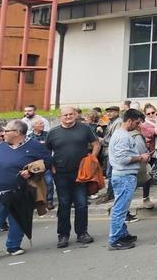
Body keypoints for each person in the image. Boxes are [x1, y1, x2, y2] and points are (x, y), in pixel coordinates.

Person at [0, 120, 51, 264]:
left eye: (6, 131)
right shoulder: (1, 146)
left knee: (18, 220)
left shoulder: (35, 146)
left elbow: (48, 162)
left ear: (17, 133)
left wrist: (31, 171)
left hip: (20, 192)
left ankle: (13, 247)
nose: (2, 134)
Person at [45, 106, 100, 248]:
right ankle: (63, 235)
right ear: (60, 117)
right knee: (64, 204)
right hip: (61, 174)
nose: (68, 117)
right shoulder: (53, 132)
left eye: (70, 114)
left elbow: (96, 144)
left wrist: (92, 158)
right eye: (65, 115)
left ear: (75, 115)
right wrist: (51, 165)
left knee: (81, 204)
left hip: (81, 173)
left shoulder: (85, 129)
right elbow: (46, 151)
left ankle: (82, 233)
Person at [107, 109, 149, 251]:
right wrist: (140, 158)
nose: (138, 125)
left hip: (124, 175)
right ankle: (115, 239)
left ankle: (122, 233)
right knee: (120, 208)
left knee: (122, 207)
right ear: (129, 120)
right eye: (137, 122)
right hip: (124, 176)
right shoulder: (123, 136)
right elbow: (123, 159)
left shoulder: (121, 134)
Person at [27, 119, 54, 210]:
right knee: (36, 184)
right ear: (33, 126)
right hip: (35, 164)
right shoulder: (29, 137)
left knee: (49, 182)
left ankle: (49, 200)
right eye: (39, 123)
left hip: (46, 162)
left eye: (42, 123)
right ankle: (38, 201)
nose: (42, 125)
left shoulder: (48, 135)